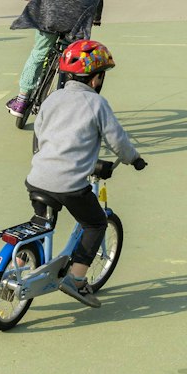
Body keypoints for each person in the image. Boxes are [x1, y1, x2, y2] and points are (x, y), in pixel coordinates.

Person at [22, 39, 146, 308]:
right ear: (96, 78)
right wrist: (134, 159)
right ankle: (76, 280)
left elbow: (40, 132)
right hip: (69, 184)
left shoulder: (53, 98)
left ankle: (19, 263)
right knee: (96, 223)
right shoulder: (97, 104)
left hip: (37, 177)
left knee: (40, 224)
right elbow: (118, 141)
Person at [7, 0, 104, 128]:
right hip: (78, 24)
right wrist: (97, 17)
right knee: (75, 61)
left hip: (50, 20)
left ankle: (23, 98)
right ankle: (71, 102)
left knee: (39, 53)